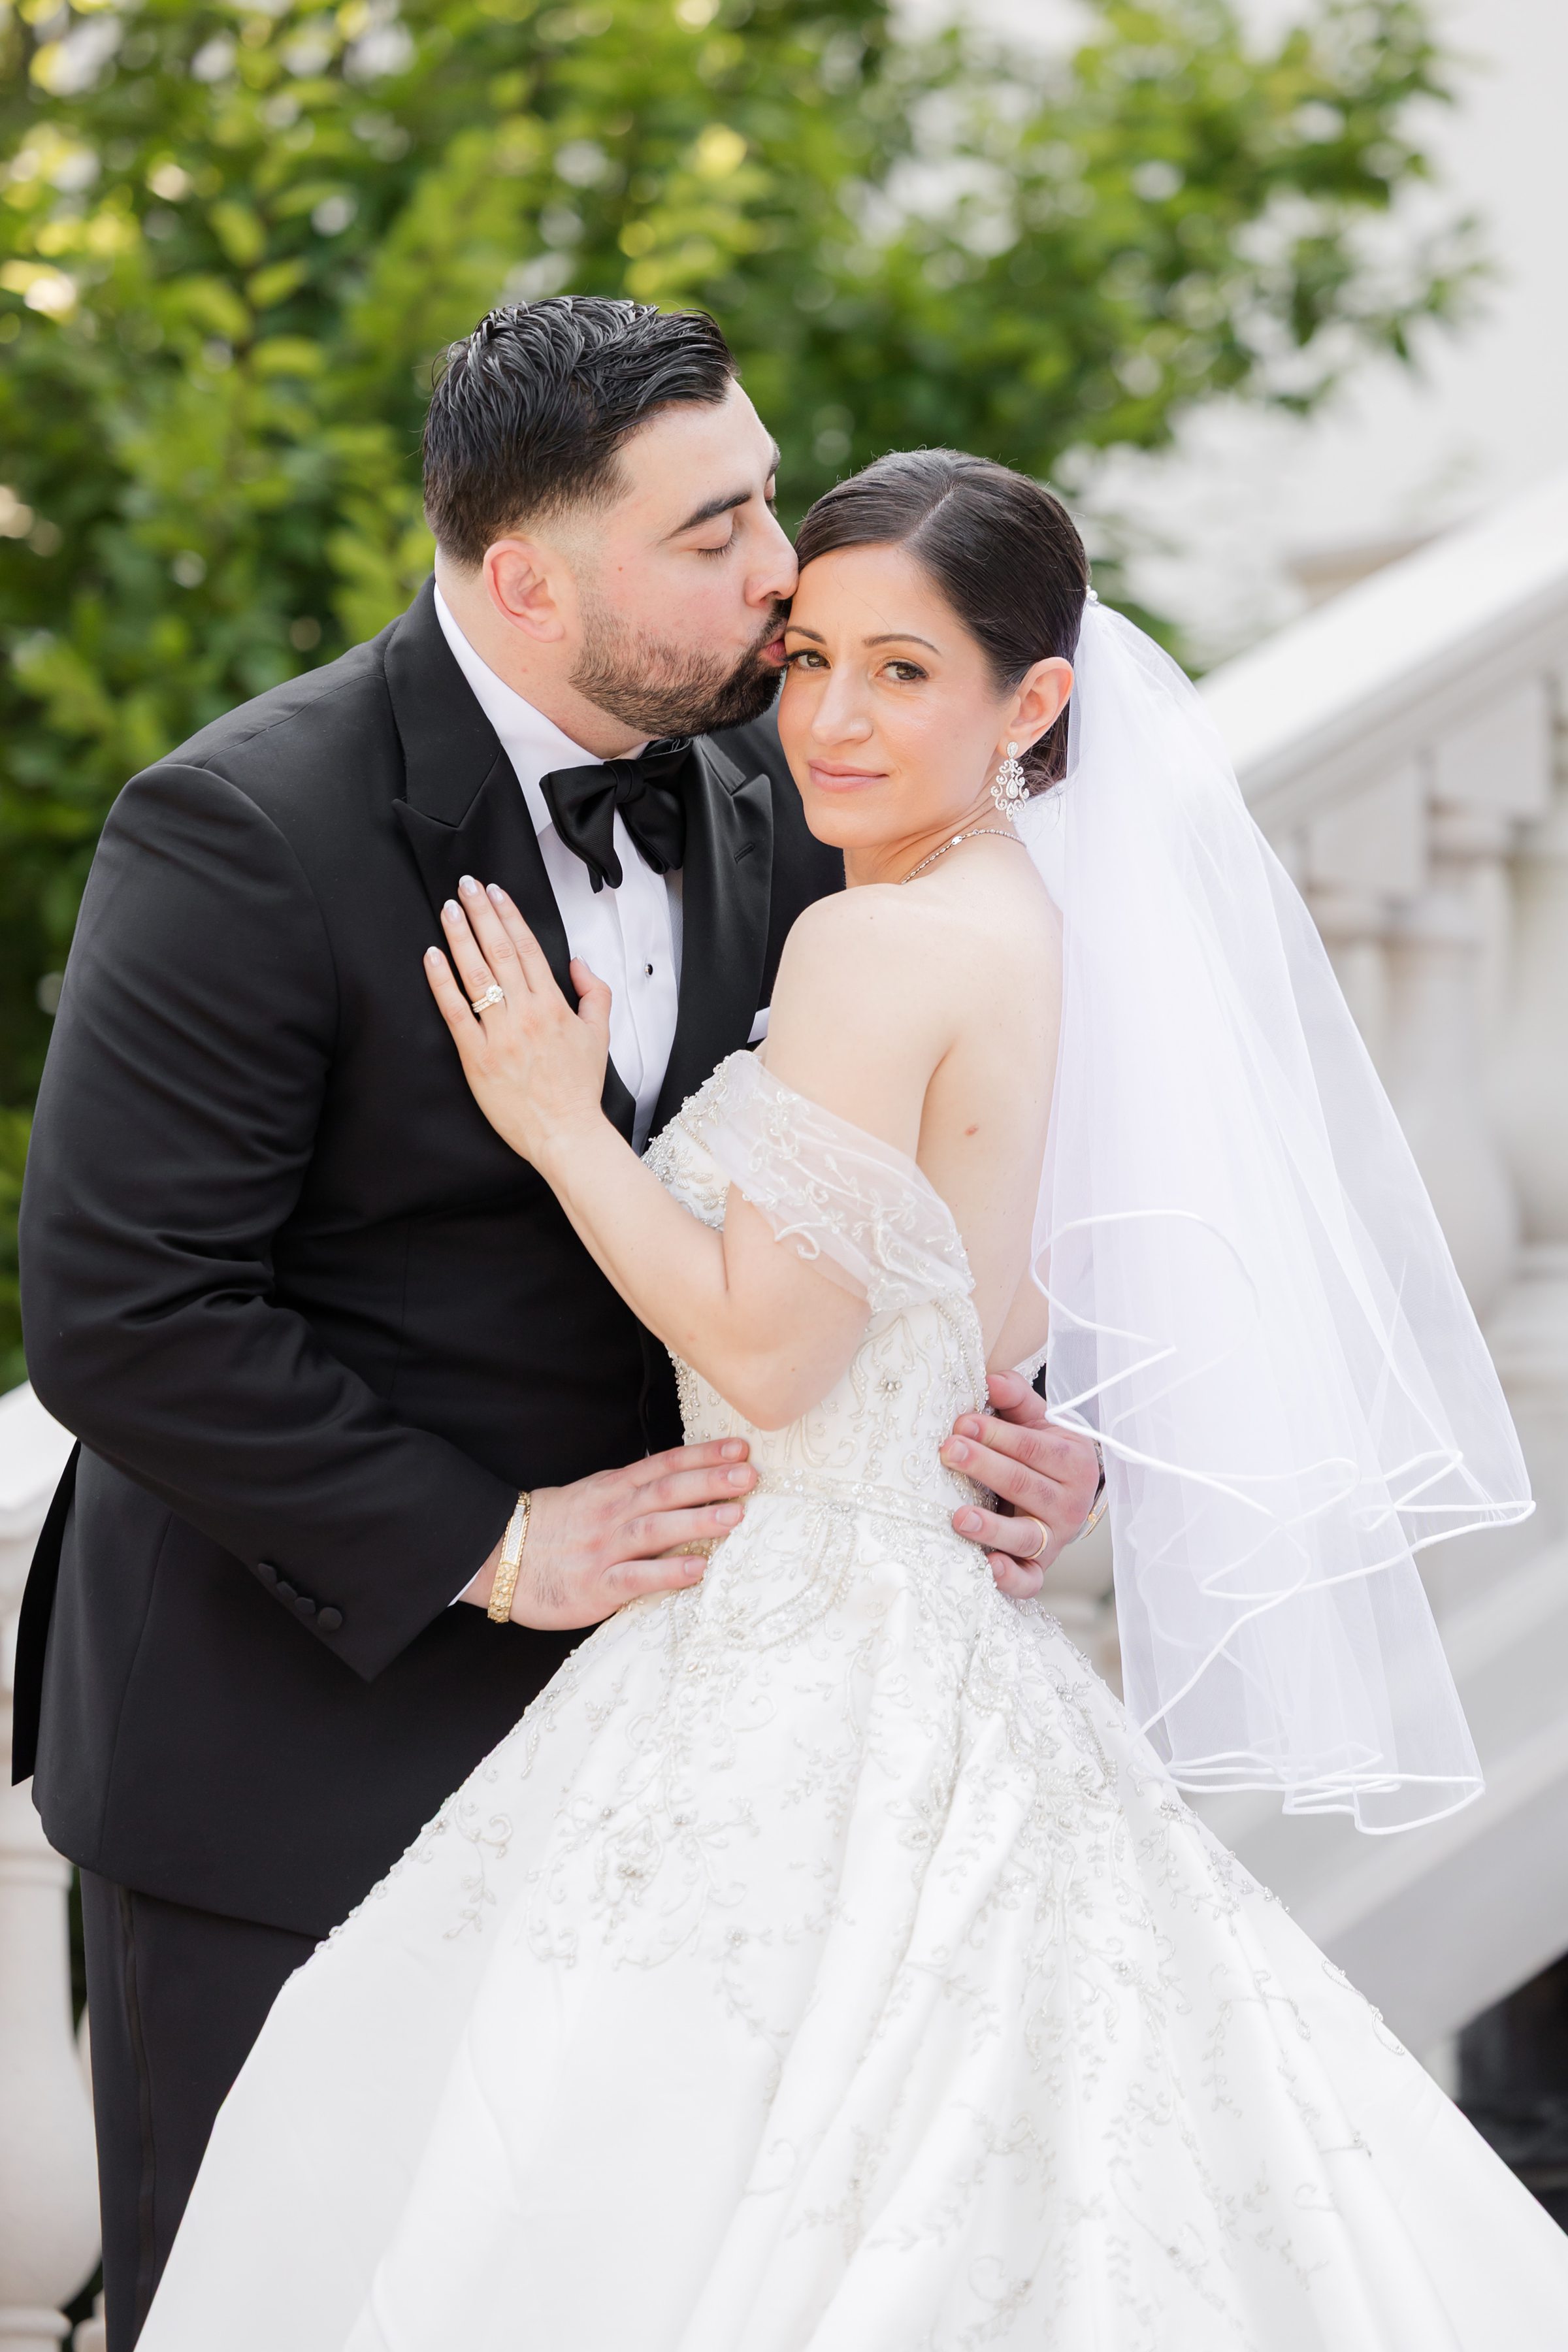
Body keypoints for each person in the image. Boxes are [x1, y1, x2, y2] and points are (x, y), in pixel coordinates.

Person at [136, 451, 1567, 2349]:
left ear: (1033, 700)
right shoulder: (1048, 918)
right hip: (937, 1636)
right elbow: (989, 1308)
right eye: (809, 658)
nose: (827, 717)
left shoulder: (874, 938)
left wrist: (566, 1128)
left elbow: (777, 1351)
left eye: (904, 672)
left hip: (792, 1649)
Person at [13, 309, 1098, 2352]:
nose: (782, 566)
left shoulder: (803, 797)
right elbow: (124, 1310)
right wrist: (496, 1547)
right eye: (716, 530)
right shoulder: (242, 828)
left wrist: (1021, 1420)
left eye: (768, 495)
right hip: (295, 1751)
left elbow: (908, 1194)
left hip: (704, 1776)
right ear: (531, 578)